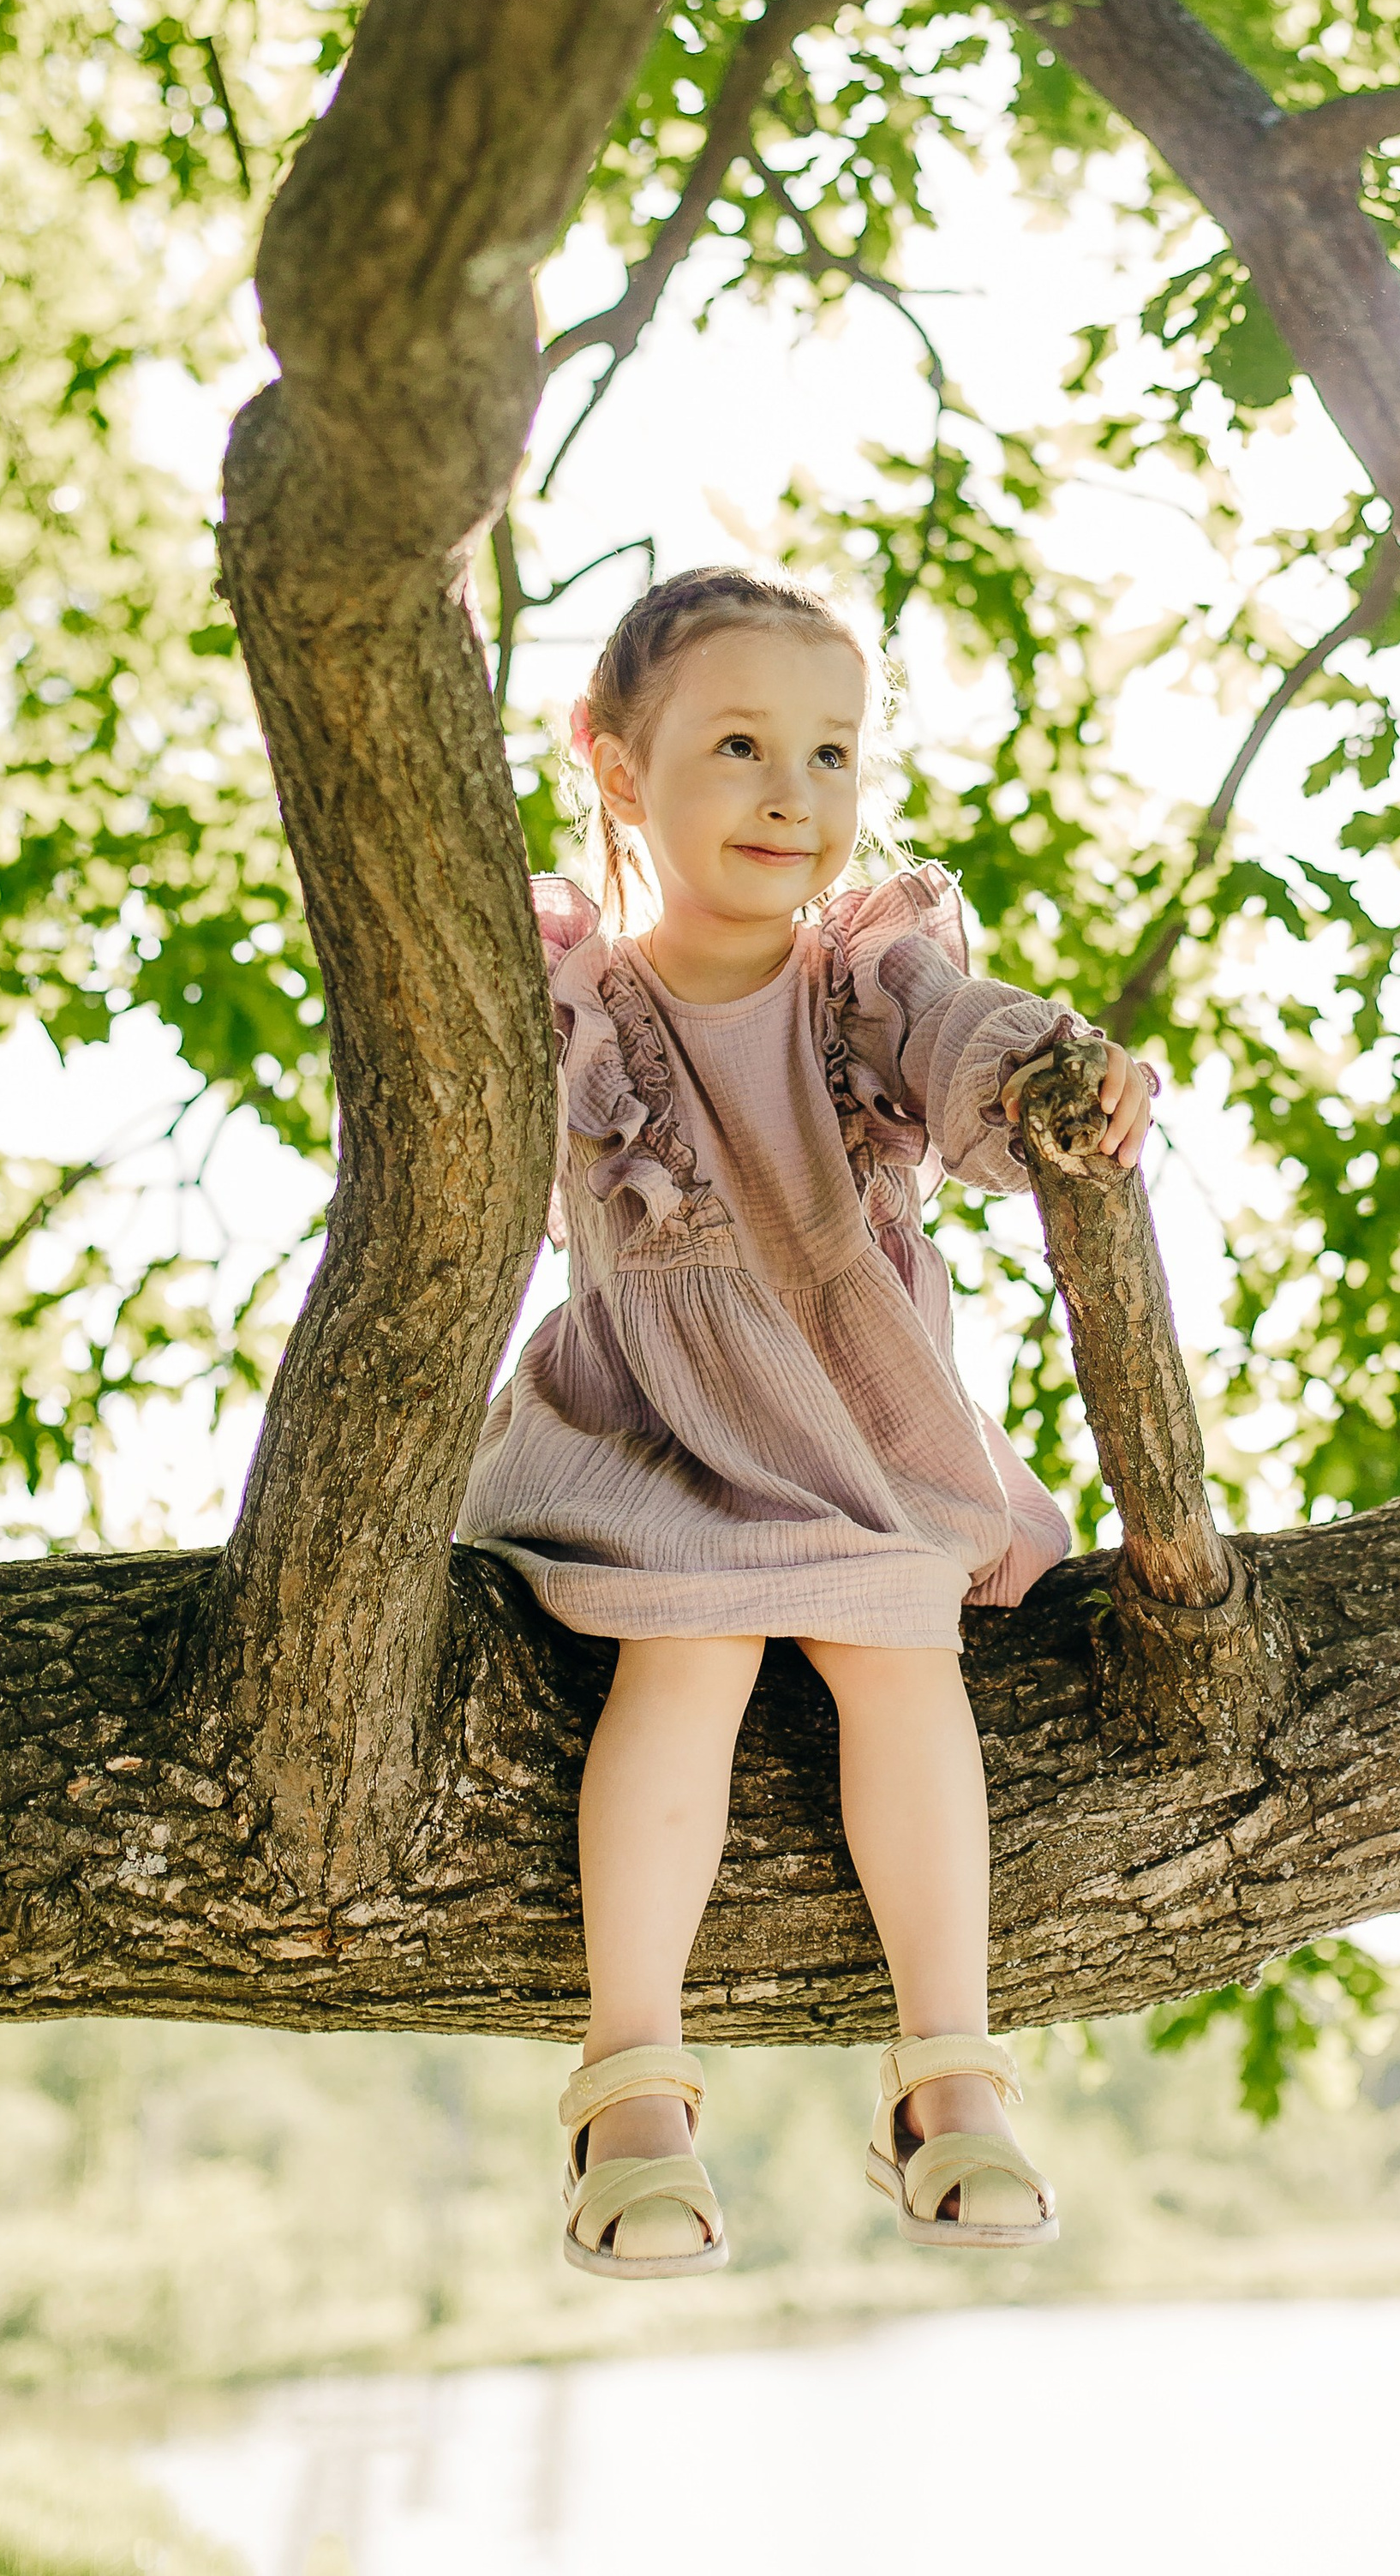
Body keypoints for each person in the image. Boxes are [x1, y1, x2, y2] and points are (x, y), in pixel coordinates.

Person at [457, 565, 1156, 2278]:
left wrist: (1066, 1075)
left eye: (831, 755)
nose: (793, 796)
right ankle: (631, 2086)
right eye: (742, 746)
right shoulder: (566, 996)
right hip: (656, 1429)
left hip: (848, 1426)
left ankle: (948, 2073)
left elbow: (967, 1048)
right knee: (682, 1657)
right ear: (615, 764)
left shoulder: (861, 980)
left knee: (894, 1655)